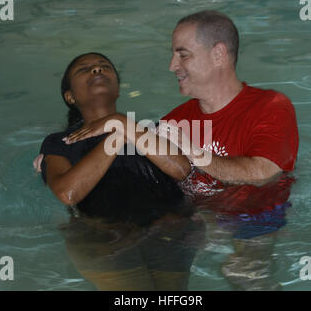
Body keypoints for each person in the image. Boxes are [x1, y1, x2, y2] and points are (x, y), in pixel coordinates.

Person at [157, 10, 299, 290]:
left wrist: (193, 151)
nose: (172, 65)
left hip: (255, 218)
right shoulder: (174, 120)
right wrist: (63, 154)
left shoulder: (270, 106)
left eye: (183, 54)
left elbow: (263, 173)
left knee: (242, 272)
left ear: (218, 54)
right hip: (196, 217)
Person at [38, 52, 204, 291]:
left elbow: (181, 169)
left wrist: (124, 124)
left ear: (117, 89)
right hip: (105, 238)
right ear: (70, 96)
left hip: (170, 232)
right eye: (84, 69)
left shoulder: (151, 131)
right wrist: (117, 132)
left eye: (104, 67)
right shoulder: (61, 142)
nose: (96, 70)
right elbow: (68, 193)